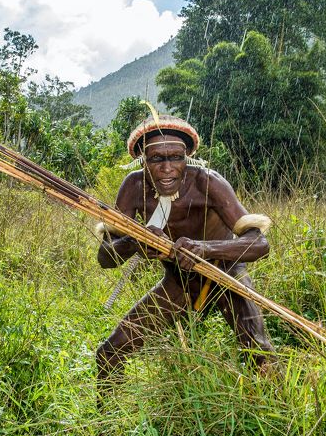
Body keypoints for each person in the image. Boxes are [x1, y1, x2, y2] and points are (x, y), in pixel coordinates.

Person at [95, 115, 276, 390]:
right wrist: (135, 242)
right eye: (156, 159)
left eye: (176, 158)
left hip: (225, 275)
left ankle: (280, 420)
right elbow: (106, 257)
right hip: (178, 282)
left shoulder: (208, 182)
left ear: (186, 158)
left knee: (260, 357)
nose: (167, 169)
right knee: (109, 353)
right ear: (143, 160)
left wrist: (205, 249)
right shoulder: (134, 187)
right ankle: (105, 427)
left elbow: (259, 243)